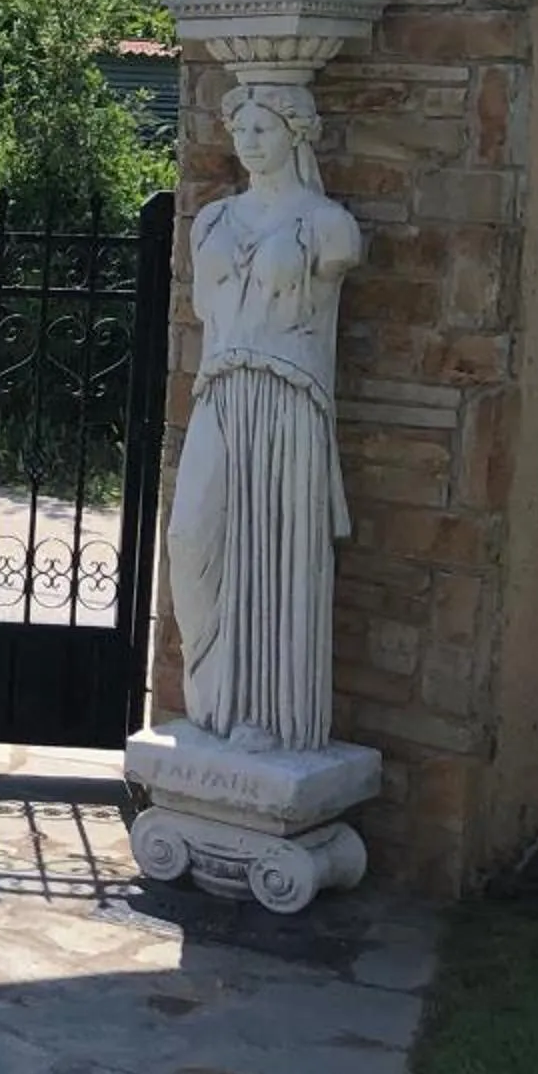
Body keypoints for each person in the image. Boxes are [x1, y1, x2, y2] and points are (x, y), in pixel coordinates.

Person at [167, 83, 361, 753]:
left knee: (273, 553)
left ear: (296, 134)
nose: (248, 141)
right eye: (240, 128)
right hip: (223, 390)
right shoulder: (214, 222)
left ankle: (266, 714)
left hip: (288, 397)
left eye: (264, 127)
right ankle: (212, 699)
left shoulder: (327, 226)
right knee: (191, 537)